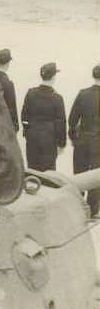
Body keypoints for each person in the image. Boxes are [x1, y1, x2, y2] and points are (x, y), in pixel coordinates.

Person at [21, 62, 66, 171]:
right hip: (49, 138)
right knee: (48, 172)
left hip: (32, 136)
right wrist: (61, 143)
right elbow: (61, 123)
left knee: (32, 170)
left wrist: (27, 132)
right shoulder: (57, 98)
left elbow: (24, 116)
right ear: (54, 77)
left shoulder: (30, 93)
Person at [68, 64, 100, 215]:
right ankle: (93, 210)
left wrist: (73, 138)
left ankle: (77, 208)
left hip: (82, 140)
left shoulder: (83, 94)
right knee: (95, 177)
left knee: (79, 174)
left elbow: (72, 119)